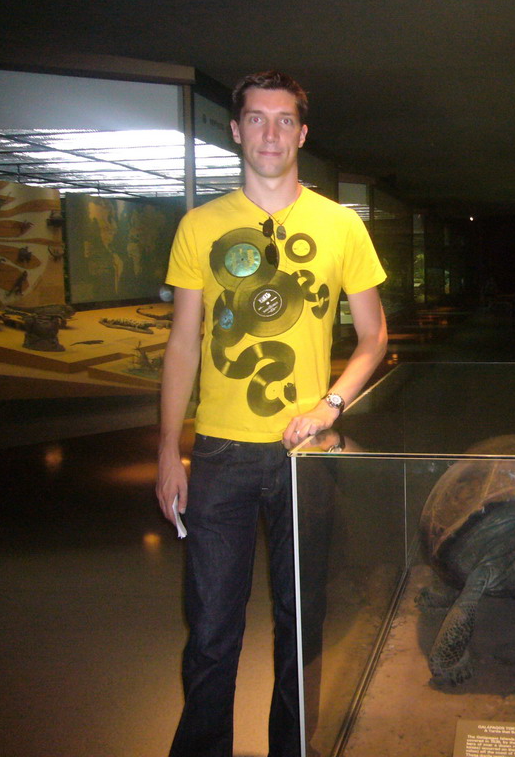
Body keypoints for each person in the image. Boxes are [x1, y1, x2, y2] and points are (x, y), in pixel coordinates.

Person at [155, 70, 388, 757]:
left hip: (304, 454)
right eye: (257, 119)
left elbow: (375, 337)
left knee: (300, 625)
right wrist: (170, 448)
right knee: (211, 631)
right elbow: (181, 345)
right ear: (235, 130)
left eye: (284, 121)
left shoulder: (341, 225)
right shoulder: (200, 227)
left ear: (303, 134)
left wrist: (330, 403)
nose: (270, 133)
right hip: (221, 455)